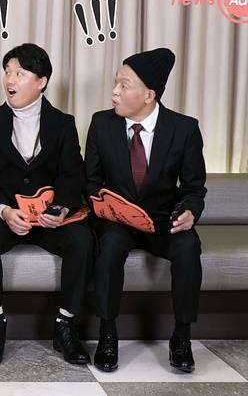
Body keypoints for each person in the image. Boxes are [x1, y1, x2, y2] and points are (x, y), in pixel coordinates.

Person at [0, 43, 95, 366]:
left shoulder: (62, 123)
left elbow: (72, 175)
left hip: (47, 218)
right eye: (8, 72)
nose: (10, 80)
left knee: (82, 239)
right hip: (5, 215)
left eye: (20, 73)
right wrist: (4, 210)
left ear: (41, 81)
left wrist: (61, 208)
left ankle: (65, 325)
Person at [85, 48, 206, 373]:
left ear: (149, 95)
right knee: (109, 245)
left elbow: (194, 188)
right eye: (116, 83)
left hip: (164, 220)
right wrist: (104, 205)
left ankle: (182, 336)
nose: (115, 91)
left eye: (124, 85)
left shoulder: (184, 129)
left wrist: (190, 211)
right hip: (118, 220)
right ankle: (107, 333)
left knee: (189, 246)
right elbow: (91, 181)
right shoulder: (101, 123)